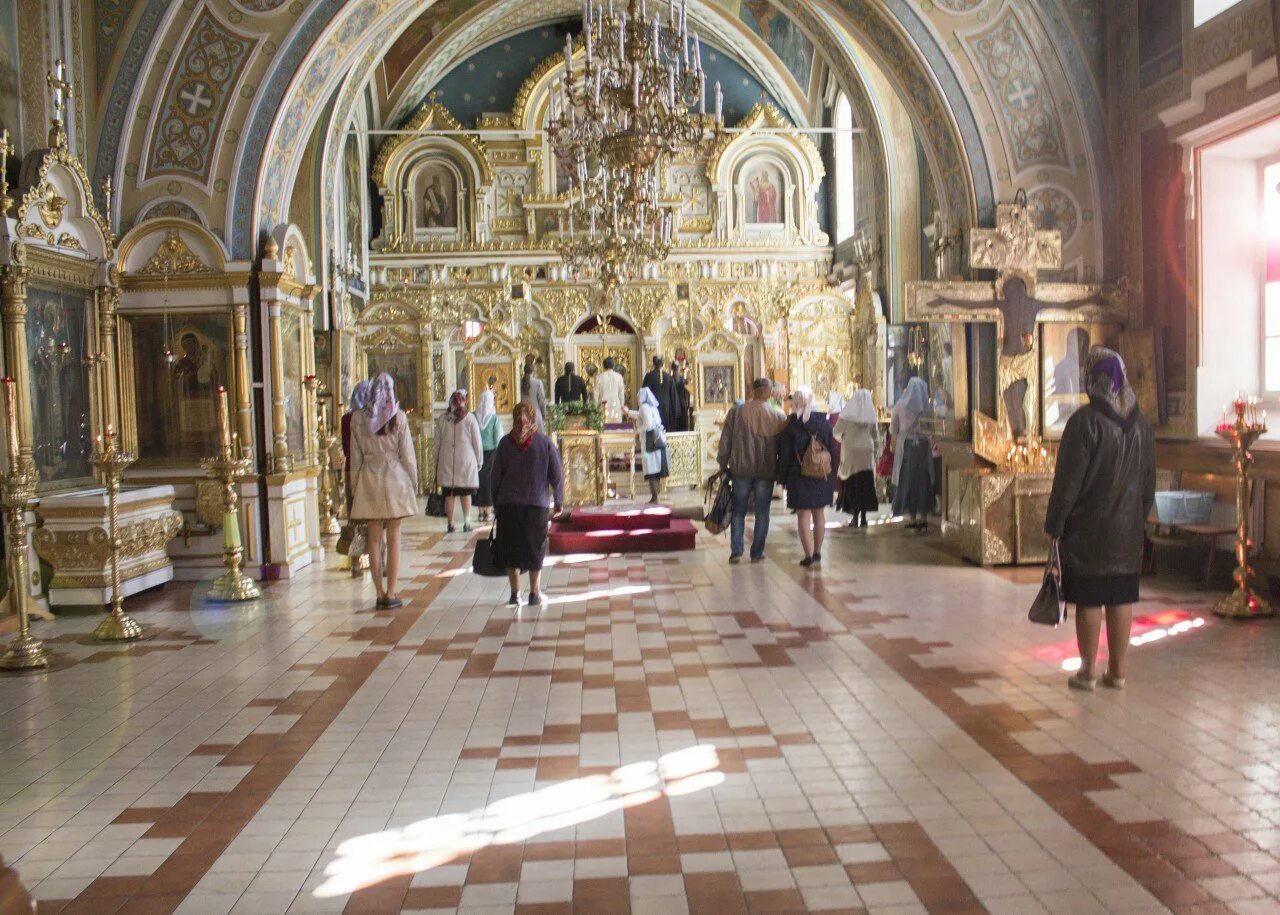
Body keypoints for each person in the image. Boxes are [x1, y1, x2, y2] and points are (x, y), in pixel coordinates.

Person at [1045, 347, 1155, 692]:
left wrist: (1055, 524)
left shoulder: (1084, 423)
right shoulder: (1142, 426)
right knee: (1121, 597)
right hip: (1127, 531)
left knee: (1090, 598)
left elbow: (1068, 483)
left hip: (1089, 531)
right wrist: (1138, 518)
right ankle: (1118, 672)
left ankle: (1088, 671)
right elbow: (1149, 482)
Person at [349, 373, 419, 610]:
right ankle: (392, 591)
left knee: (374, 539)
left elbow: (355, 458)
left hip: (368, 478)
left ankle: (378, 592)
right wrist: (414, 482)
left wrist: (354, 488)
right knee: (394, 539)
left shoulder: (357, 419)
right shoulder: (397, 416)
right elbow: (407, 455)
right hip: (395, 479)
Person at [489, 402, 564, 607]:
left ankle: (515, 594)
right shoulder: (545, 443)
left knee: (511, 549)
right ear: (533, 418)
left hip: (508, 505)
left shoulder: (505, 443)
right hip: (536, 505)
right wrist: (558, 501)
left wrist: (495, 501)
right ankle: (534, 593)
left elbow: (495, 476)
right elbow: (556, 475)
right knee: (535, 548)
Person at [717, 377, 787, 563]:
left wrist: (722, 463)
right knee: (762, 512)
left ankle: (737, 551)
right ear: (769, 392)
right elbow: (782, 449)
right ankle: (757, 553)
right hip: (765, 471)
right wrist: (781, 471)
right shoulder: (777, 416)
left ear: (753, 391)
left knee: (738, 510)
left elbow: (725, 441)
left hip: (741, 470)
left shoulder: (736, 412)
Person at [776, 386, 836, 567]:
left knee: (803, 515)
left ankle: (808, 554)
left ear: (796, 402)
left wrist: (782, 478)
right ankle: (817, 551)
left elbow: (785, 454)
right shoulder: (824, 423)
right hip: (821, 475)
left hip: (799, 475)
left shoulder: (791, 424)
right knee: (819, 514)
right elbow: (832, 450)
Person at [434, 390, 483, 533]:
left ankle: (451, 523)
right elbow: (477, 442)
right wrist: (479, 460)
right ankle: (467, 523)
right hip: (466, 462)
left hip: (446, 460)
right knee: (465, 493)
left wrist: (436, 460)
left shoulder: (442, 419)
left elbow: (436, 443)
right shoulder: (470, 419)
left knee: (449, 494)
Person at [891, 376, 932, 530]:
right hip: (922, 446)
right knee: (923, 480)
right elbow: (930, 427)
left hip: (906, 446)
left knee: (908, 480)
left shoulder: (901, 405)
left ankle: (913, 518)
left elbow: (893, 428)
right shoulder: (926, 407)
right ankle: (923, 517)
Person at [835, 388, 879, 528]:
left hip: (852, 452)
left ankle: (855, 517)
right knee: (865, 484)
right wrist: (875, 450)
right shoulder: (871, 416)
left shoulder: (847, 415)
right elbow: (875, 435)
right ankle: (864, 518)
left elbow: (836, 432)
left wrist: (844, 439)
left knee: (853, 483)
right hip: (867, 451)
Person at [627, 388, 669, 503]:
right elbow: (641, 415)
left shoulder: (643, 407)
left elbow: (648, 425)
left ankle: (655, 497)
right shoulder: (652, 407)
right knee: (656, 469)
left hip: (650, 443)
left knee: (651, 470)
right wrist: (628, 413)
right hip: (659, 440)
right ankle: (655, 496)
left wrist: (637, 430)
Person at [341, 380, 372, 513]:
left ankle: (355, 531)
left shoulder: (346, 418)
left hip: (351, 467)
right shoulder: (372, 417)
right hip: (371, 468)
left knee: (354, 506)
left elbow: (345, 447)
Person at [474, 388, 501, 523]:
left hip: (475, 453)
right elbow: (498, 439)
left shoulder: (473, 416)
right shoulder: (494, 418)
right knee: (489, 482)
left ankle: (480, 512)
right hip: (491, 453)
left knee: (478, 481)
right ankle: (488, 511)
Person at [642, 356, 675, 430]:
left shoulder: (649, 376)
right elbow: (673, 396)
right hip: (667, 407)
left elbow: (644, 394)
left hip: (653, 408)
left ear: (653, 363)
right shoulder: (668, 377)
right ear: (663, 364)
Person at [594, 356, 626, 422]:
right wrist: (622, 406)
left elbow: (595, 394)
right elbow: (621, 394)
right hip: (616, 404)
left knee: (603, 426)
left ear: (603, 366)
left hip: (603, 403)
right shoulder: (619, 377)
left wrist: (595, 408)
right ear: (613, 365)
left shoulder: (599, 377)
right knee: (616, 427)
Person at [520, 363, 548, 431]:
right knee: (538, 439)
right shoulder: (538, 382)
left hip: (522, 415)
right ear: (533, 371)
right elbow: (542, 401)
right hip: (536, 414)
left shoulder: (519, 383)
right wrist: (544, 414)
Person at [671, 362, 691, 433]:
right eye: (676, 369)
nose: (677, 371)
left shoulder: (683, 380)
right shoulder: (671, 380)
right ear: (673, 370)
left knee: (682, 424)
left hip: (681, 404)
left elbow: (688, 390)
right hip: (675, 404)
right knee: (676, 424)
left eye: (678, 369)